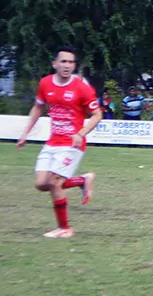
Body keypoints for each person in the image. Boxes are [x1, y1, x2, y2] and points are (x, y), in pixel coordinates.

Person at [16, 47, 103, 238]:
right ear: (54, 64)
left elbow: (97, 114)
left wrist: (81, 133)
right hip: (52, 142)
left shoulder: (81, 87)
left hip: (72, 144)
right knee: (41, 184)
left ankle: (64, 228)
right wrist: (25, 133)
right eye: (63, 61)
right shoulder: (45, 83)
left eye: (71, 62)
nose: (67, 65)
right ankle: (82, 180)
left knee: (54, 182)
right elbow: (38, 107)